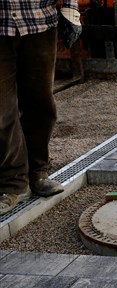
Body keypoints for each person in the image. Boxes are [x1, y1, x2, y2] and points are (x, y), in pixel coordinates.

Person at [0, 1, 82, 215]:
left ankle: (38, 172)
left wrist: (70, 9)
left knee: (40, 104)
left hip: (38, 21)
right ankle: (13, 183)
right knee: (2, 111)